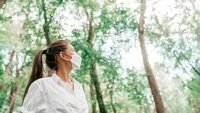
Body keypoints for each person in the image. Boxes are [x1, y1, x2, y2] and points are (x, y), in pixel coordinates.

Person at [20, 40, 89, 113]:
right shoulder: (41, 86)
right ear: (63, 55)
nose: (77, 55)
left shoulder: (78, 87)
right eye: (73, 51)